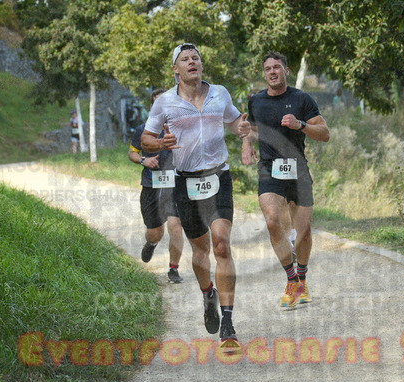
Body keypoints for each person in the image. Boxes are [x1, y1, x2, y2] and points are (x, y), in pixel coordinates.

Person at [141, 43, 251, 344]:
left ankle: (228, 321)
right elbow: (146, 138)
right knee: (200, 252)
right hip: (185, 182)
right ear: (175, 69)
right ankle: (207, 294)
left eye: (196, 58)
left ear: (201, 65)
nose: (192, 62)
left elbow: (235, 121)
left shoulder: (220, 93)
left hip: (218, 176)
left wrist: (242, 131)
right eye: (185, 59)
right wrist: (160, 144)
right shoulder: (165, 102)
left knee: (222, 246)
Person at [242, 51, 330, 307]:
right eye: (268, 68)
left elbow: (324, 133)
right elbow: (253, 130)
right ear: (264, 73)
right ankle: (292, 280)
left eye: (276, 67)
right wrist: (247, 143)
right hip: (269, 168)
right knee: (272, 221)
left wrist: (300, 124)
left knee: (303, 231)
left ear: (286, 71)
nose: (272, 71)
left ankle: (302, 279)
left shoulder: (302, 98)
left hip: (298, 170)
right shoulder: (256, 101)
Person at [129, 88, 185, 284]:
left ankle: (173, 269)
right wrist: (143, 160)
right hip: (151, 185)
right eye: (157, 103)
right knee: (155, 232)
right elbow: (132, 153)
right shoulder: (142, 130)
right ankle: (151, 243)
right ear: (152, 106)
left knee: (176, 225)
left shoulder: (180, 128)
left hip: (175, 185)